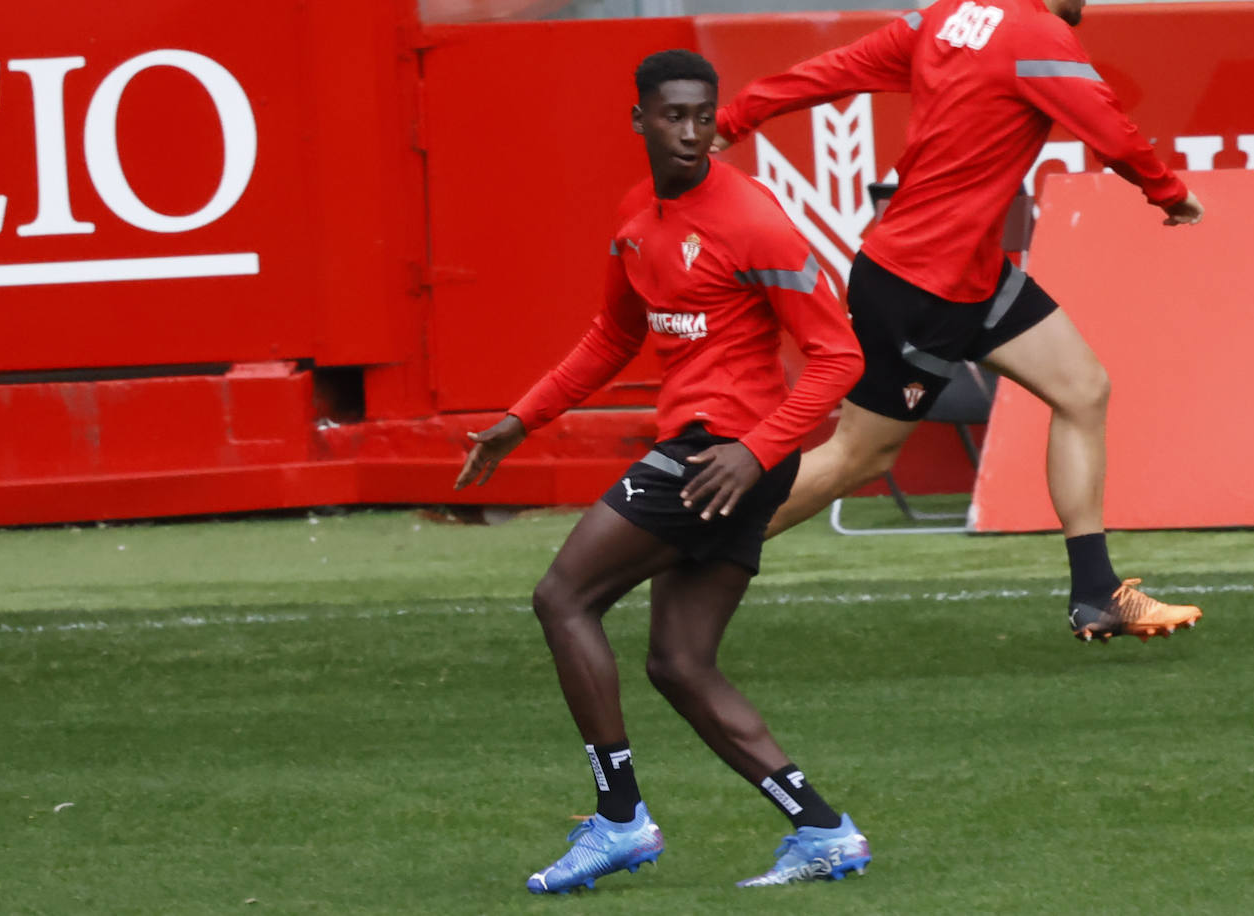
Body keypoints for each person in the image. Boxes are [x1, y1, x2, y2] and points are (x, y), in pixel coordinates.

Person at [455, 49, 869, 893]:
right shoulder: (636, 217)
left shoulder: (754, 220)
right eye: (673, 115)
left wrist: (754, 452)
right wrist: (519, 418)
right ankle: (823, 830)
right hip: (727, 460)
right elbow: (613, 335)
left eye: (704, 115)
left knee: (562, 597)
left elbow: (838, 356)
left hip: (719, 456)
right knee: (681, 664)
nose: (692, 131)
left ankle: (617, 820)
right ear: (638, 120)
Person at [712, 0, 1205, 643]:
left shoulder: (944, 19)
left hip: (971, 273)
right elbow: (1109, 131)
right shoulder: (1038, 36)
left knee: (1083, 390)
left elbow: (833, 70)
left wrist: (735, 116)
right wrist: (1170, 192)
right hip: (924, 283)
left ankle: (1096, 593)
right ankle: (689, 549)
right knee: (857, 456)